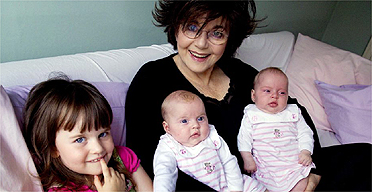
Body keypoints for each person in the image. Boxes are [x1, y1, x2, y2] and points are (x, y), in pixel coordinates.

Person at [125, 0, 322, 191]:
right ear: (176, 27)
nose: (201, 44)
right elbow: (148, 163)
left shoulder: (239, 72)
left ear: (229, 38)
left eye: (217, 33)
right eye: (192, 27)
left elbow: (293, 109)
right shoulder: (150, 79)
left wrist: (314, 170)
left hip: (287, 177)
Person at [24, 77, 153, 192]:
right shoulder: (61, 190)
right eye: (80, 140)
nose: (98, 148)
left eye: (103, 134)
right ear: (53, 148)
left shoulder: (123, 157)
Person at [154, 90, 266, 192]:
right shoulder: (168, 145)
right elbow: (164, 172)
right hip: (205, 187)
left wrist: (236, 189)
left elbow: (229, 162)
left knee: (255, 187)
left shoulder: (211, 135)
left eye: (200, 118)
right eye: (184, 121)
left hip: (230, 182)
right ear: (167, 128)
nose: (195, 125)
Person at [238, 67, 315, 191]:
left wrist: (306, 151)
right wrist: (247, 158)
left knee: (302, 182)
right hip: (266, 168)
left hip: (293, 165)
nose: (274, 96)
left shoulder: (292, 112)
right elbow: (243, 138)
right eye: (267, 91)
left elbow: (305, 133)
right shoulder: (251, 115)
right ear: (253, 95)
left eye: (282, 93)